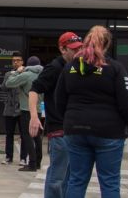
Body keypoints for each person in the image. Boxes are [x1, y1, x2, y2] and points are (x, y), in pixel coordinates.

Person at [57, 25, 128, 198]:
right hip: (109, 131)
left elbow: (59, 100)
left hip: (75, 128)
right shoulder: (115, 68)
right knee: (109, 182)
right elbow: (127, 102)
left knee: (76, 180)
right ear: (107, 45)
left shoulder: (70, 67)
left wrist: (70, 120)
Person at [31, 32, 83, 198]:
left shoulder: (77, 67)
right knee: (57, 176)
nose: (77, 52)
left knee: (69, 176)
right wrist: (34, 116)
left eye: (79, 48)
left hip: (74, 129)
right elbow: (34, 89)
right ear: (62, 49)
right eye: (73, 49)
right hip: (59, 129)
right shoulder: (54, 68)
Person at [5, 55, 43, 171]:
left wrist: (17, 72)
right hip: (39, 109)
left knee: (27, 136)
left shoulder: (26, 75)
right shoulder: (43, 74)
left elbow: (9, 83)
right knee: (37, 137)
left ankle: (31, 163)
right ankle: (38, 162)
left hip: (27, 109)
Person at [1, 53, 25, 165]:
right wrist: (15, 74)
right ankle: (8, 157)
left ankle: (23, 158)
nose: (15, 62)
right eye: (13, 60)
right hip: (9, 108)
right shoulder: (8, 74)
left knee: (24, 134)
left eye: (18, 60)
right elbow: (4, 87)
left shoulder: (26, 73)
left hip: (22, 108)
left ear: (22, 62)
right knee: (9, 134)